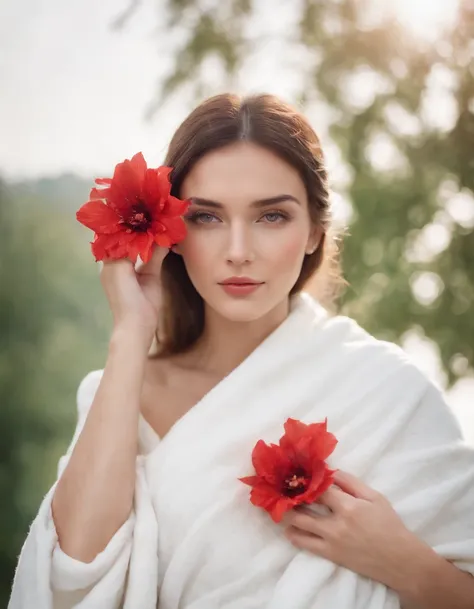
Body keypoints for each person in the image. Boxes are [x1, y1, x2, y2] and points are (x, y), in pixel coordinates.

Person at [8, 93, 474, 609]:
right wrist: (129, 336)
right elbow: (69, 581)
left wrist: (403, 562)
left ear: (317, 230)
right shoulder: (116, 394)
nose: (238, 250)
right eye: (207, 218)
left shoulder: (388, 392)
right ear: (172, 234)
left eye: (271, 216)